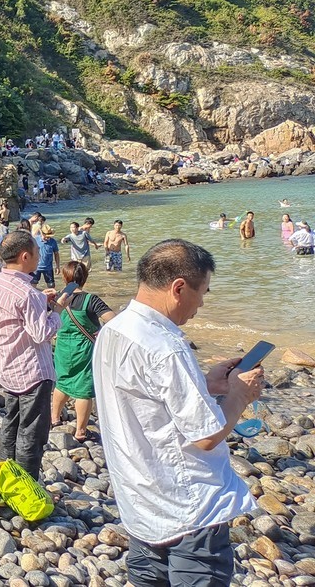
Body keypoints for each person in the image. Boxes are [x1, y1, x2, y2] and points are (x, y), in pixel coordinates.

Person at [93, 240, 262, 586]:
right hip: (188, 512)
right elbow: (205, 436)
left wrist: (206, 383)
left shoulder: (114, 330)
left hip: (140, 507)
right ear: (179, 288)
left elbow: (142, 396)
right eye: (203, 292)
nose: (201, 304)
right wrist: (240, 396)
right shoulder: (166, 346)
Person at [0, 231, 64, 481]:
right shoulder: (29, 294)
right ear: (25, 256)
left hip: (6, 367)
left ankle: (7, 476)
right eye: (37, 253)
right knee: (32, 434)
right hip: (32, 373)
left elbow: (11, 318)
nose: (39, 257)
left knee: (12, 423)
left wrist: (42, 303)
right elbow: (41, 333)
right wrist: (57, 311)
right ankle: (26, 487)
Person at [49, 261, 115, 442]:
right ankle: (80, 431)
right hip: (84, 351)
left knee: (62, 383)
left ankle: (54, 418)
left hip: (63, 348)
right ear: (84, 278)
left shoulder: (58, 297)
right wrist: (100, 332)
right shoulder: (90, 300)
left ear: (65, 277)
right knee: (83, 390)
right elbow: (113, 321)